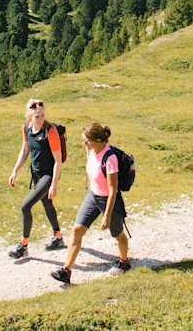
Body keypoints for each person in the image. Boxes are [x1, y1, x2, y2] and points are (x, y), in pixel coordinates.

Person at [50, 122, 129, 284]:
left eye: (87, 141)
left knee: (118, 234)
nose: (84, 144)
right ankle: (66, 271)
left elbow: (113, 190)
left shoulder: (110, 158)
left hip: (109, 201)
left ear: (98, 140)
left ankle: (124, 261)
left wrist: (106, 216)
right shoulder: (91, 150)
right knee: (77, 230)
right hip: (93, 196)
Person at [7, 98, 65, 258]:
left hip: (49, 175)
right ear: (29, 116)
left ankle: (23, 245)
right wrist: (15, 171)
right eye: (37, 116)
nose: (41, 119)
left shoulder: (50, 131)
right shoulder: (26, 128)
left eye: (42, 115)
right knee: (47, 204)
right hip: (37, 174)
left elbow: (58, 161)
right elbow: (25, 150)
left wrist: (53, 184)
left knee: (25, 207)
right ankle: (58, 237)